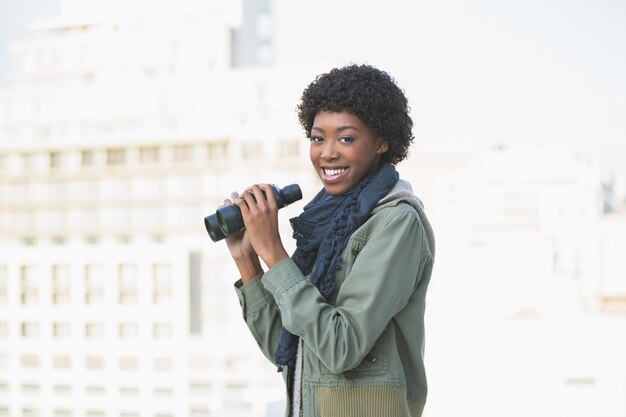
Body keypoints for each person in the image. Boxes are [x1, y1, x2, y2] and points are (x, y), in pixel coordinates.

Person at [223, 64, 435, 417]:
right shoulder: (322, 224)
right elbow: (289, 346)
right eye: (318, 138)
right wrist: (248, 258)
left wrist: (273, 250)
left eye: (346, 138)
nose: (327, 153)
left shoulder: (397, 222)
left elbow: (341, 347)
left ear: (382, 141)